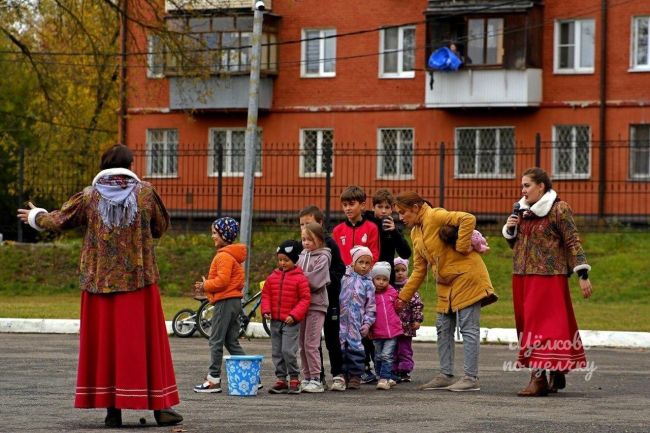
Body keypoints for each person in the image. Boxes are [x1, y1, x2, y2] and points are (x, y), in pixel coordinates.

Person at [17, 144, 182, 428]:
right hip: (139, 282)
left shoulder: (89, 196)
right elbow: (160, 227)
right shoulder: (145, 193)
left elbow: (59, 220)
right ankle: (160, 408)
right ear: (129, 165)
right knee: (144, 344)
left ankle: (112, 411)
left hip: (99, 285)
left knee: (107, 345)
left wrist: (36, 216)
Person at [394, 191, 498, 392]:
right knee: (443, 327)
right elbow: (419, 270)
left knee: (468, 328)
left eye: (403, 212)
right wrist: (402, 297)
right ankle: (446, 374)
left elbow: (468, 218)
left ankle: (470, 378)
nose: (400, 217)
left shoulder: (435, 215)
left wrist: (462, 244)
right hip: (445, 283)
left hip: (467, 276)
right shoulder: (416, 233)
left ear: (416, 207)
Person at [503, 167, 593, 397]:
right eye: (522, 186)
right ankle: (555, 370)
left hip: (548, 278)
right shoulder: (523, 211)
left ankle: (539, 378)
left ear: (541, 186)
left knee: (543, 328)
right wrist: (511, 230)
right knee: (528, 326)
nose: (523, 190)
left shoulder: (558, 208)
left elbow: (572, 241)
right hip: (522, 276)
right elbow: (521, 246)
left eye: (527, 185)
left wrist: (582, 274)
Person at [193, 217, 248, 394]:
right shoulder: (231, 256)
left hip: (225, 301)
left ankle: (213, 379)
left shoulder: (224, 256)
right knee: (231, 341)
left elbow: (222, 281)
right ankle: (248, 375)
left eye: (215, 233)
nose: (212, 236)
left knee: (215, 339)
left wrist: (205, 286)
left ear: (224, 235)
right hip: (234, 301)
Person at [332, 185, 380, 384]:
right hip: (344, 284)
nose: (348, 209)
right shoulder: (338, 230)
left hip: (363, 284)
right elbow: (335, 257)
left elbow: (374, 254)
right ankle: (341, 371)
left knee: (363, 327)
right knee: (341, 331)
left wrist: (365, 273)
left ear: (362, 205)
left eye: (351, 204)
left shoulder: (371, 228)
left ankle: (361, 370)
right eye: (344, 205)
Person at [298, 205, 346, 391]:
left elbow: (339, 269)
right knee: (311, 341)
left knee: (332, 337)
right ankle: (317, 377)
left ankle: (338, 375)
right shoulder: (304, 248)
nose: (304, 228)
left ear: (319, 223)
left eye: (308, 224)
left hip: (328, 298)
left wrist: (328, 283)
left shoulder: (329, 246)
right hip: (306, 301)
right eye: (301, 225)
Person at [261, 240, 311, 395]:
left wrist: (294, 315)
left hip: (291, 322)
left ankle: (294, 377)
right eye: (280, 259)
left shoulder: (300, 278)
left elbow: (305, 299)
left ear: (294, 260)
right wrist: (266, 310)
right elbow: (266, 295)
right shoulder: (272, 277)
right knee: (277, 351)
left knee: (288, 350)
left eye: (286, 260)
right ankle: (281, 379)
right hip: (275, 321)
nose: (282, 263)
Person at [296, 222, 332, 393]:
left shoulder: (323, 257)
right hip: (301, 305)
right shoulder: (302, 255)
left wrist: (297, 281)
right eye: (303, 239)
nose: (306, 243)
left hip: (316, 305)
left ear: (319, 239)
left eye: (310, 239)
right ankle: (307, 376)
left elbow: (316, 280)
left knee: (311, 342)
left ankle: (317, 378)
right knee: (302, 343)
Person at [335, 245, 376, 391]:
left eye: (367, 263)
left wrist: (367, 323)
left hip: (356, 322)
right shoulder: (344, 278)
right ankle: (343, 374)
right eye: (361, 262)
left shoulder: (369, 284)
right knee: (341, 348)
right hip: (341, 321)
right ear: (353, 263)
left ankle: (356, 375)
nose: (364, 266)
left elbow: (371, 307)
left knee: (356, 348)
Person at [363, 188, 412, 285]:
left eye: (387, 207)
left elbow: (406, 254)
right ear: (373, 208)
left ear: (392, 209)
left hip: (386, 278)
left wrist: (394, 232)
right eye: (380, 207)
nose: (383, 211)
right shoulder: (366, 223)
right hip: (367, 275)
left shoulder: (393, 228)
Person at [368, 261, 403, 390]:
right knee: (378, 356)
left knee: (387, 355)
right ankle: (381, 375)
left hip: (392, 331)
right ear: (373, 279)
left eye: (384, 279)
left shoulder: (393, 293)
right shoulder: (370, 294)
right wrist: (369, 328)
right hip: (377, 331)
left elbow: (398, 308)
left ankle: (385, 378)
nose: (381, 282)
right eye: (378, 279)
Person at [392, 257, 424, 383]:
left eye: (403, 270)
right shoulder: (390, 289)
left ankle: (404, 370)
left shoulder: (410, 288)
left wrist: (417, 320)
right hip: (392, 327)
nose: (400, 273)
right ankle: (393, 370)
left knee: (405, 349)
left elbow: (417, 305)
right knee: (392, 349)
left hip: (406, 327)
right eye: (396, 270)